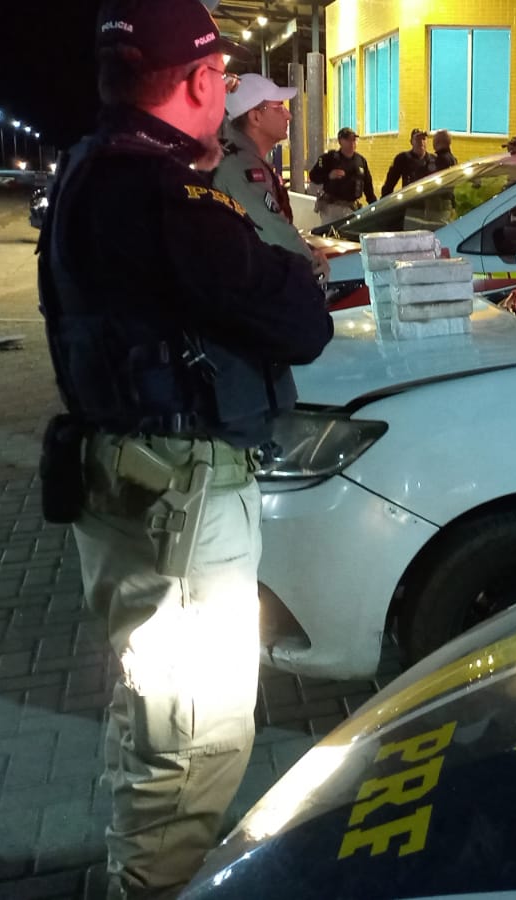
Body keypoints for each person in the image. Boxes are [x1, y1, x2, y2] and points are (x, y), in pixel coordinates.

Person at [35, 1, 333, 897]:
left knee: (150, 707)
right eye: (222, 77)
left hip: (122, 478)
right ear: (202, 80)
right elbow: (301, 322)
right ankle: (152, 886)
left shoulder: (87, 167)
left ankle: (134, 866)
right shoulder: (165, 194)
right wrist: (287, 262)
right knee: (195, 733)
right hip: (181, 499)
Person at [213, 73, 328, 277]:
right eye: (279, 107)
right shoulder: (242, 167)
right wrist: (312, 263)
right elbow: (274, 231)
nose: (288, 115)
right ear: (255, 117)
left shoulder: (239, 158)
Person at [308, 127, 375, 223]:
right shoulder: (328, 158)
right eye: (348, 140)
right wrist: (328, 176)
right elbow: (313, 176)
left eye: (353, 140)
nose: (352, 143)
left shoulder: (361, 161)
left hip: (352, 208)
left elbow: (368, 186)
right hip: (332, 208)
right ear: (340, 141)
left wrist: (374, 205)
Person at [381, 127, 435, 195]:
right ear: (411, 142)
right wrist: (385, 199)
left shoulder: (433, 160)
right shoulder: (403, 159)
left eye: (423, 139)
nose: (421, 142)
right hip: (410, 198)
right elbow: (389, 184)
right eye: (417, 139)